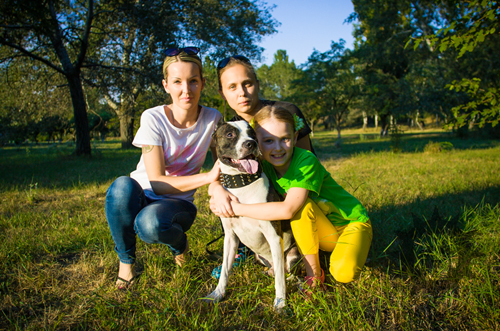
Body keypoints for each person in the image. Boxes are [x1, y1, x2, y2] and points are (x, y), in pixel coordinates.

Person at [213, 105, 372, 291]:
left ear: (295, 137)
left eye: (285, 139)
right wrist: (216, 189)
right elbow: (220, 170)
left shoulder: (306, 160)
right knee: (303, 214)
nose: (277, 148)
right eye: (269, 141)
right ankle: (318, 265)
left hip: (349, 225)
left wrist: (234, 209)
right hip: (322, 232)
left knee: (343, 272)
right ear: (258, 141)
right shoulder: (261, 165)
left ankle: (315, 274)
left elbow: (288, 209)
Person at [105, 47, 222, 289]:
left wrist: (217, 184)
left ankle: (180, 246)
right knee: (120, 187)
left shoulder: (213, 119)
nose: (186, 89)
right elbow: (156, 181)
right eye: (177, 81)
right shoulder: (152, 118)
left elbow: (223, 163)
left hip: (178, 204)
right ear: (166, 85)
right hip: (141, 193)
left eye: (193, 81)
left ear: (203, 82)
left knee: (150, 225)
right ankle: (126, 264)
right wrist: (208, 177)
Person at [208, 55, 315, 276]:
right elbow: (220, 173)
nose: (242, 93)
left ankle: (308, 257)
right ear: (222, 93)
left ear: (257, 83)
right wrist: (216, 189)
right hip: (256, 205)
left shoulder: (286, 113)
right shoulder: (229, 130)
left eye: (247, 84)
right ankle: (246, 247)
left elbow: (308, 161)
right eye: (232, 87)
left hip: (293, 199)